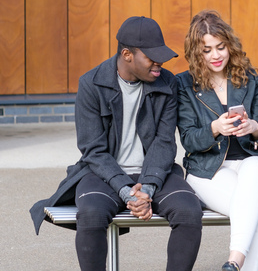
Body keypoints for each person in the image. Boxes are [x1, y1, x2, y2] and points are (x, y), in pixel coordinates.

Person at [29, 16, 203, 271]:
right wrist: (127, 190)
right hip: (102, 173)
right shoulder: (92, 84)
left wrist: (150, 188)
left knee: (189, 212)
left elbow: (165, 143)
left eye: (161, 56)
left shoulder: (167, 83)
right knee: (91, 214)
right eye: (152, 57)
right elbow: (93, 150)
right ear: (127, 54)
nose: (160, 63)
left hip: (154, 173)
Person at [176, 10, 258, 271]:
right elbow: (188, 140)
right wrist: (215, 128)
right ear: (197, 52)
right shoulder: (185, 85)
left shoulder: (249, 79)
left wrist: (254, 127)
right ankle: (239, 265)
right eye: (207, 50)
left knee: (255, 167)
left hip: (252, 167)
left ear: (229, 45)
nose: (216, 55)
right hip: (209, 171)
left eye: (220, 47)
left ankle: (234, 261)